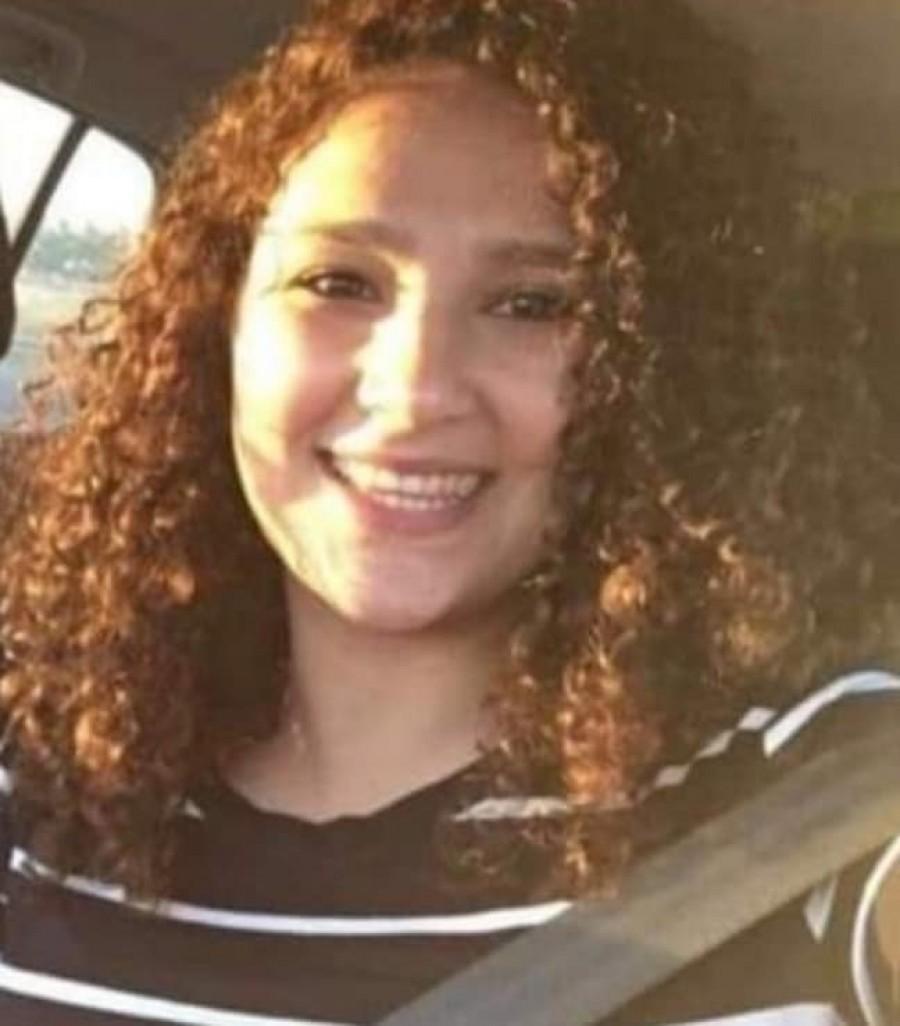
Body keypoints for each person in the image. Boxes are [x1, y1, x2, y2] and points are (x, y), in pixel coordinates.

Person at [0, 1, 897, 1023]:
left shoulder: (824, 796)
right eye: (337, 282)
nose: (417, 389)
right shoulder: (40, 785)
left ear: (651, 373)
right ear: (221, 330)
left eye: (534, 303)